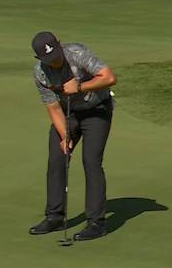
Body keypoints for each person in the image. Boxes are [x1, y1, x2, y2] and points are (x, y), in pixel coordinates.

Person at [27, 31, 117, 241]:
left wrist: (80, 86)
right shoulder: (40, 73)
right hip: (68, 113)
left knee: (91, 162)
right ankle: (55, 217)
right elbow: (53, 108)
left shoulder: (77, 53)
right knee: (58, 158)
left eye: (57, 55)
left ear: (60, 45)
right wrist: (64, 136)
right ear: (40, 59)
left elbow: (110, 77)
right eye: (50, 59)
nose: (56, 61)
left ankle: (96, 223)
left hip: (97, 110)